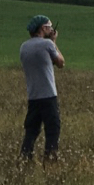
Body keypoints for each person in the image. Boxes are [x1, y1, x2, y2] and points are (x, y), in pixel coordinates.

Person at [19, 14, 65, 162]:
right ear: (43, 28)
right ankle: (50, 159)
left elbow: (42, 62)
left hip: (33, 96)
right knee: (53, 129)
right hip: (48, 95)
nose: (51, 29)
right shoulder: (48, 45)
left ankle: (25, 158)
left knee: (31, 130)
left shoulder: (24, 47)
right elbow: (60, 63)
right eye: (49, 27)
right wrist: (53, 41)